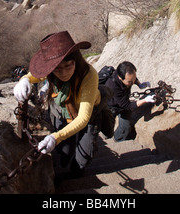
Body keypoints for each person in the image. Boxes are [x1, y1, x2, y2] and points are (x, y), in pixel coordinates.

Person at [13, 31, 110, 176]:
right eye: (58, 68)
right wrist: (24, 80)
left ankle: (76, 172)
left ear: (76, 61)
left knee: (84, 156)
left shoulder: (88, 74)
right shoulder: (51, 70)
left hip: (89, 112)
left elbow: (83, 118)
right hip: (63, 110)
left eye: (69, 65)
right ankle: (65, 161)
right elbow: (34, 76)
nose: (64, 72)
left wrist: (56, 137)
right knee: (64, 150)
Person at [105, 61, 156, 142]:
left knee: (125, 127)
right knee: (107, 128)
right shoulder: (112, 86)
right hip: (110, 106)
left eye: (134, 79)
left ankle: (119, 139)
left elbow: (132, 78)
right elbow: (127, 105)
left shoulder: (126, 75)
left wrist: (139, 84)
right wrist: (145, 100)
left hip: (123, 101)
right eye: (129, 82)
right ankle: (113, 139)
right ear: (120, 78)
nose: (132, 83)